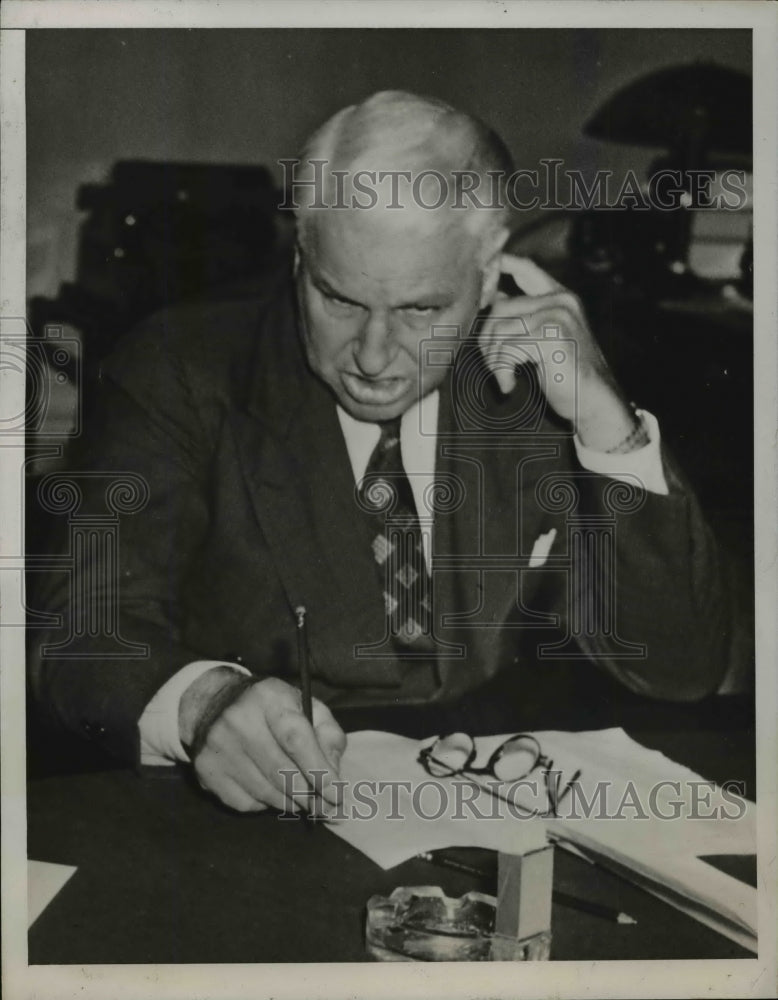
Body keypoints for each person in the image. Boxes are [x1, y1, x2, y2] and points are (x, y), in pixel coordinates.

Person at [29, 91, 731, 816]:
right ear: (301, 255)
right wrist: (201, 702)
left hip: (497, 807)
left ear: (492, 274)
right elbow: (77, 633)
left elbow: (680, 670)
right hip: (253, 819)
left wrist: (607, 425)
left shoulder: (535, 379)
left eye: (421, 309)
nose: (372, 355)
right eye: (339, 300)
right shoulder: (181, 368)